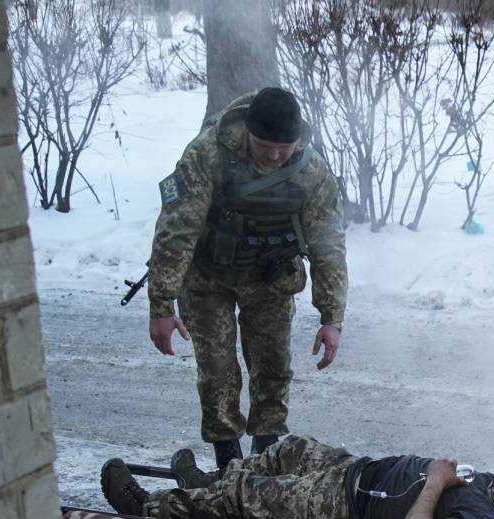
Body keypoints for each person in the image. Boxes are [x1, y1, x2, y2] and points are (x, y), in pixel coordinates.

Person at [146, 87, 349, 471]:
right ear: (248, 134)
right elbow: (177, 229)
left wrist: (331, 318)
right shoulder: (207, 154)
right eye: (264, 146)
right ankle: (227, 463)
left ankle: (264, 460)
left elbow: (329, 246)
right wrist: (161, 304)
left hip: (270, 280)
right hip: (208, 280)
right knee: (218, 372)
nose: (274, 156)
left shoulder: (311, 171)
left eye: (283, 148)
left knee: (272, 368)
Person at [100, 436, 494, 519]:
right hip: (354, 469)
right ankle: (203, 485)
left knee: (250, 495)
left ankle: (148, 507)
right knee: (287, 449)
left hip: (345, 512)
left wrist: (434, 482)